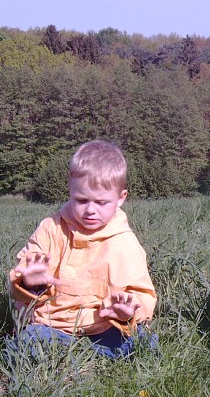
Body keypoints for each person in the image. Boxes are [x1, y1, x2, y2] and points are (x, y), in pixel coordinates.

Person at [8, 140, 157, 359]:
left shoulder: (125, 242)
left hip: (104, 326)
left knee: (144, 345)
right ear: (70, 190)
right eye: (81, 200)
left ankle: (89, 355)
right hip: (52, 324)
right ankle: (58, 358)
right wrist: (30, 282)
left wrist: (127, 312)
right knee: (24, 346)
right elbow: (24, 270)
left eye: (101, 202)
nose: (90, 210)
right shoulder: (50, 228)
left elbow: (142, 293)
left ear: (120, 198)